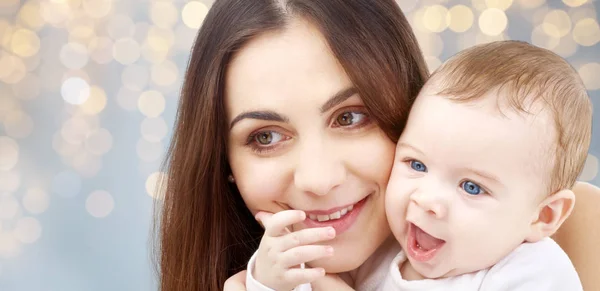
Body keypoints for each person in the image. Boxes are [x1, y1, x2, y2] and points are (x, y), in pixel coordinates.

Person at [153, 1, 600, 291]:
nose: (318, 179)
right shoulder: (377, 260)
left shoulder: (544, 255)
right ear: (223, 163)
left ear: (404, 109)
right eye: (265, 137)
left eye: (350, 117)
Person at [381, 40, 589, 290]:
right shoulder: (380, 250)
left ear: (543, 216)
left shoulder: (534, 271)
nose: (427, 200)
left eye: (471, 187)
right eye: (417, 165)